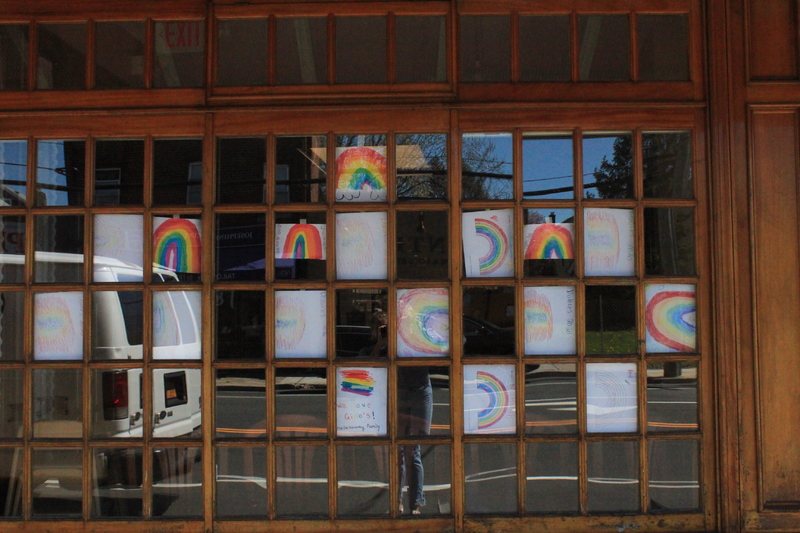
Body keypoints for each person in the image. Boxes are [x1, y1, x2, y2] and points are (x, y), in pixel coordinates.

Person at [397, 366, 432, 515]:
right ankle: (398, 501)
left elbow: (459, 342)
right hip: (399, 388)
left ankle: (415, 503)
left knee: (412, 450)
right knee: (398, 449)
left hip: (420, 388)